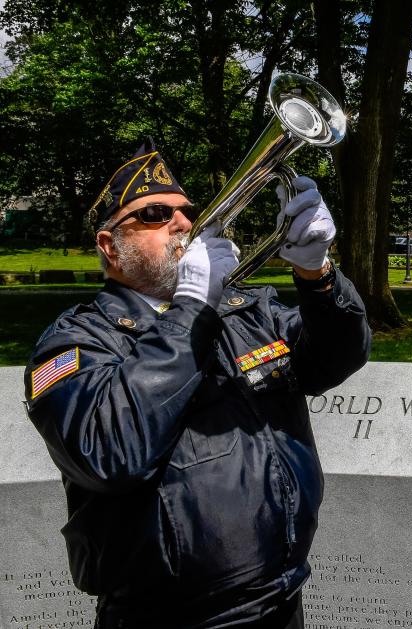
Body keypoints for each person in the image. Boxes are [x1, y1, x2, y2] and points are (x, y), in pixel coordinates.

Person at [23, 139, 371, 628]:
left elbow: (336, 360)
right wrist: (191, 309)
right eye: (156, 214)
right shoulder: (75, 341)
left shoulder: (245, 309)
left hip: (282, 600)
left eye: (187, 211)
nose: (183, 223)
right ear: (110, 247)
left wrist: (316, 273)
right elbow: (109, 454)